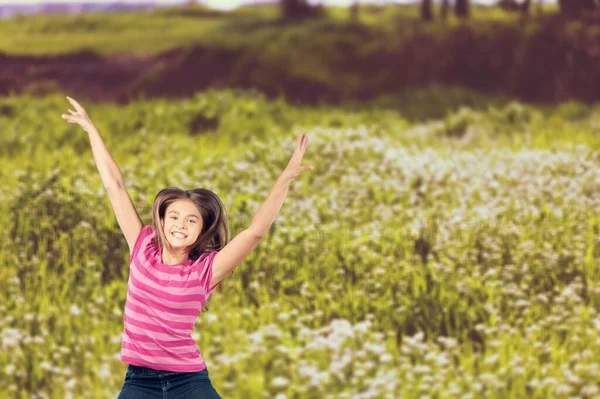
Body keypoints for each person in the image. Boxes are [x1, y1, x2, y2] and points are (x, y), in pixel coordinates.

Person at [61, 96, 314, 398]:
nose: (181, 224)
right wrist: (91, 129)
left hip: (189, 381)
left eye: (192, 220)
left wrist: (284, 179)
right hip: (139, 382)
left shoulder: (206, 270)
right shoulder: (142, 246)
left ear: (202, 230)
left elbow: (255, 232)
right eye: (175, 216)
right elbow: (114, 186)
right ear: (162, 220)